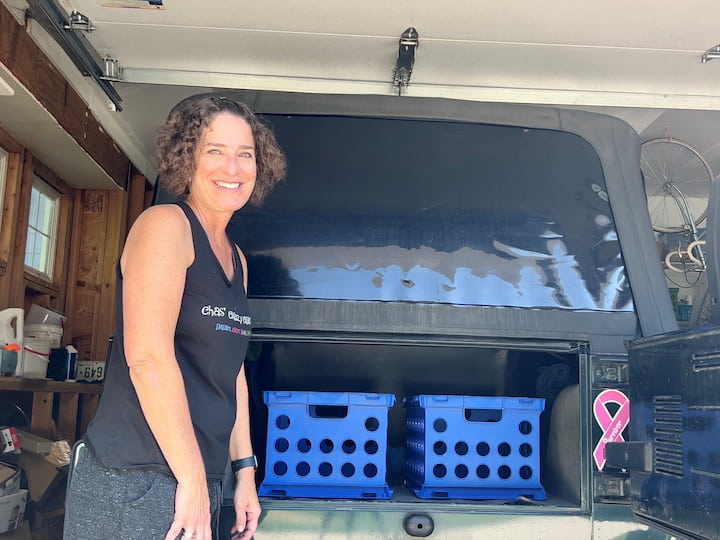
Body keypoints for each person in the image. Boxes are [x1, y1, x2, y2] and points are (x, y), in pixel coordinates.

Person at [63, 95, 287, 540]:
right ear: (187, 158)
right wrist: (192, 479)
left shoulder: (236, 260)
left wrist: (244, 472)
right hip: (135, 477)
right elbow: (146, 357)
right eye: (215, 151)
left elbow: (230, 371)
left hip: (196, 476)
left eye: (245, 154)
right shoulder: (165, 225)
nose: (233, 167)